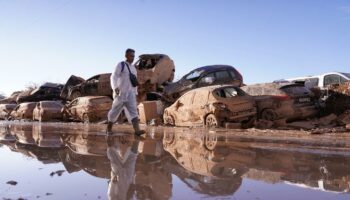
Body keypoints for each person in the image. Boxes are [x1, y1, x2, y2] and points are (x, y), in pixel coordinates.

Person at [106, 49, 145, 136]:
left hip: (130, 94)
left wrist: (136, 93)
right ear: (126, 55)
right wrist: (115, 87)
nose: (133, 58)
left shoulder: (134, 69)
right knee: (114, 112)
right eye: (131, 56)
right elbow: (113, 77)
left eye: (134, 56)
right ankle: (108, 129)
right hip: (120, 94)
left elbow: (134, 82)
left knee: (134, 112)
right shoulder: (121, 65)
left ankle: (137, 130)